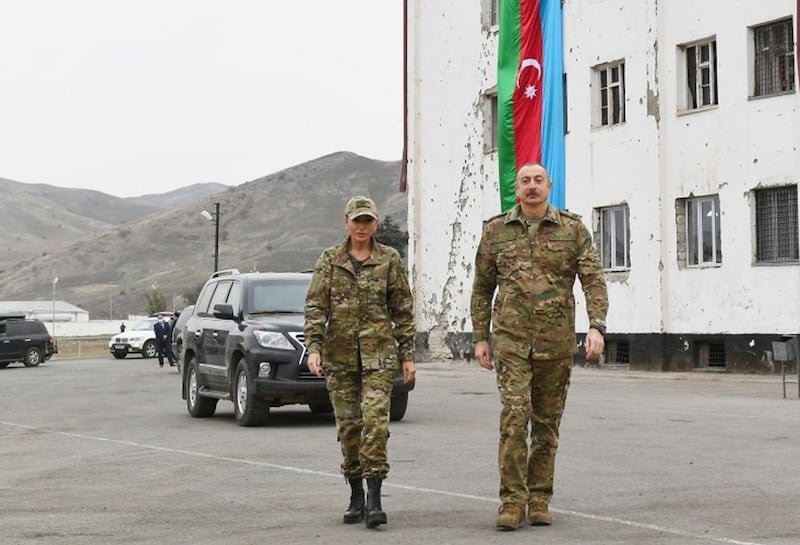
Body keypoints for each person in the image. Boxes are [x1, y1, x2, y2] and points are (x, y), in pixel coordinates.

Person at [470, 163, 608, 531]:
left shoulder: (572, 229)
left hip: (556, 341)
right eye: (525, 181)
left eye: (538, 181)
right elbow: (482, 287)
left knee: (546, 425)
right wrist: (480, 337)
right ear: (517, 189)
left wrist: (597, 326)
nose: (532, 187)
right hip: (511, 342)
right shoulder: (496, 231)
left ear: (550, 186)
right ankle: (512, 502)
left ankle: (540, 498)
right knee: (515, 418)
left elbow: (592, 279)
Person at [304, 195, 416, 529]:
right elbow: (315, 307)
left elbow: (403, 310)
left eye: (368, 221)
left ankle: (376, 498)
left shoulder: (389, 259)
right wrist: (313, 348)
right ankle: (355, 495)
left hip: (379, 358)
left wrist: (407, 355)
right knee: (350, 428)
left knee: (377, 426)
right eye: (357, 221)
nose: (362, 227)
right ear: (347, 222)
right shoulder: (330, 260)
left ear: (376, 224)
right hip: (340, 361)